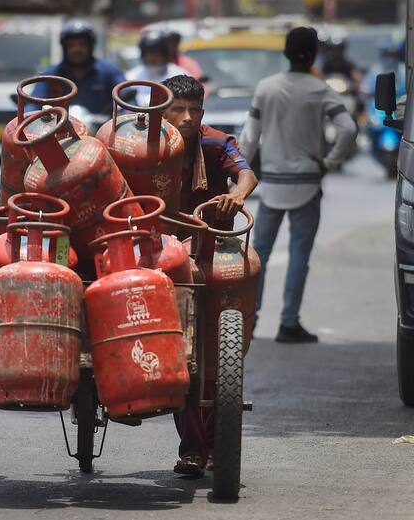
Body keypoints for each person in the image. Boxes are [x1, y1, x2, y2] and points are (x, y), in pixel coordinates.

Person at [157, 74, 258, 476]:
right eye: (177, 110)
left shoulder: (216, 142)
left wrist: (238, 195)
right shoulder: (141, 145)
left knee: (211, 354)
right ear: (160, 111)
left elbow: (246, 173)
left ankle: (208, 447)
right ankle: (194, 449)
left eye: (194, 110)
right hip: (157, 254)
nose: (186, 118)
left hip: (206, 252)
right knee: (178, 347)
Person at [239, 27, 357, 344]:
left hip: (273, 185)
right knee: (298, 255)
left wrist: (238, 172)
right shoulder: (320, 90)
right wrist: (330, 162)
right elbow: (348, 129)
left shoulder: (266, 87)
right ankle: (289, 322)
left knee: (258, 254)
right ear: (314, 54)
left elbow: (249, 138)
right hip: (307, 182)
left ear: (285, 53)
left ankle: (251, 320)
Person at [28, 19, 127, 115]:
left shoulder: (110, 71)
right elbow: (33, 105)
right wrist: (29, 114)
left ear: (91, 46)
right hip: (57, 130)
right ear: (64, 48)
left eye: (82, 44)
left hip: (100, 131)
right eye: (71, 45)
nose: (77, 49)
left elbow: (127, 100)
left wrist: (124, 113)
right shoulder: (51, 74)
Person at [125, 30, 187, 107]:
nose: (152, 57)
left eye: (156, 53)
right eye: (148, 53)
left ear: (164, 54)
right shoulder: (131, 76)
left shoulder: (178, 74)